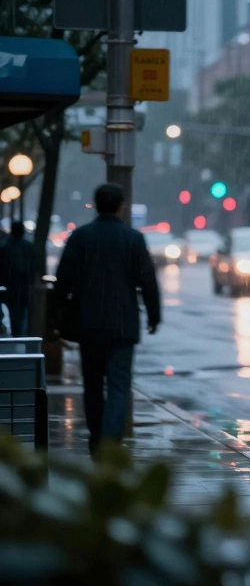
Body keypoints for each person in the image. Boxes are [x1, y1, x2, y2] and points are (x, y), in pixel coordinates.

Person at [53, 183, 161, 457]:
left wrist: (56, 316)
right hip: (122, 324)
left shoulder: (80, 237)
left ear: (96, 205)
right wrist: (153, 315)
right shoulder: (132, 239)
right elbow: (147, 280)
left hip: (88, 323)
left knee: (92, 384)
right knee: (118, 385)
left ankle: (96, 437)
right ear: (121, 206)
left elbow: (63, 280)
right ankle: (110, 443)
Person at [0, 224, 36, 336]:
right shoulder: (28, 247)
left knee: (8, 312)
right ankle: (19, 336)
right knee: (20, 316)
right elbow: (33, 267)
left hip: (8, 287)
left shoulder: (6, 247)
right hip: (22, 288)